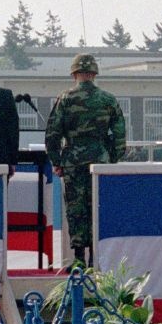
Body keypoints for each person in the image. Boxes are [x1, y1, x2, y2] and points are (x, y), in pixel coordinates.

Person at [46, 53, 126, 266]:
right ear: (93, 73)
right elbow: (119, 136)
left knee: (76, 208)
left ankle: (79, 259)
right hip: (100, 161)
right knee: (97, 208)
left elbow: (53, 134)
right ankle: (96, 258)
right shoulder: (108, 100)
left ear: (74, 74)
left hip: (73, 161)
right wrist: (112, 159)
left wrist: (57, 162)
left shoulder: (65, 99)